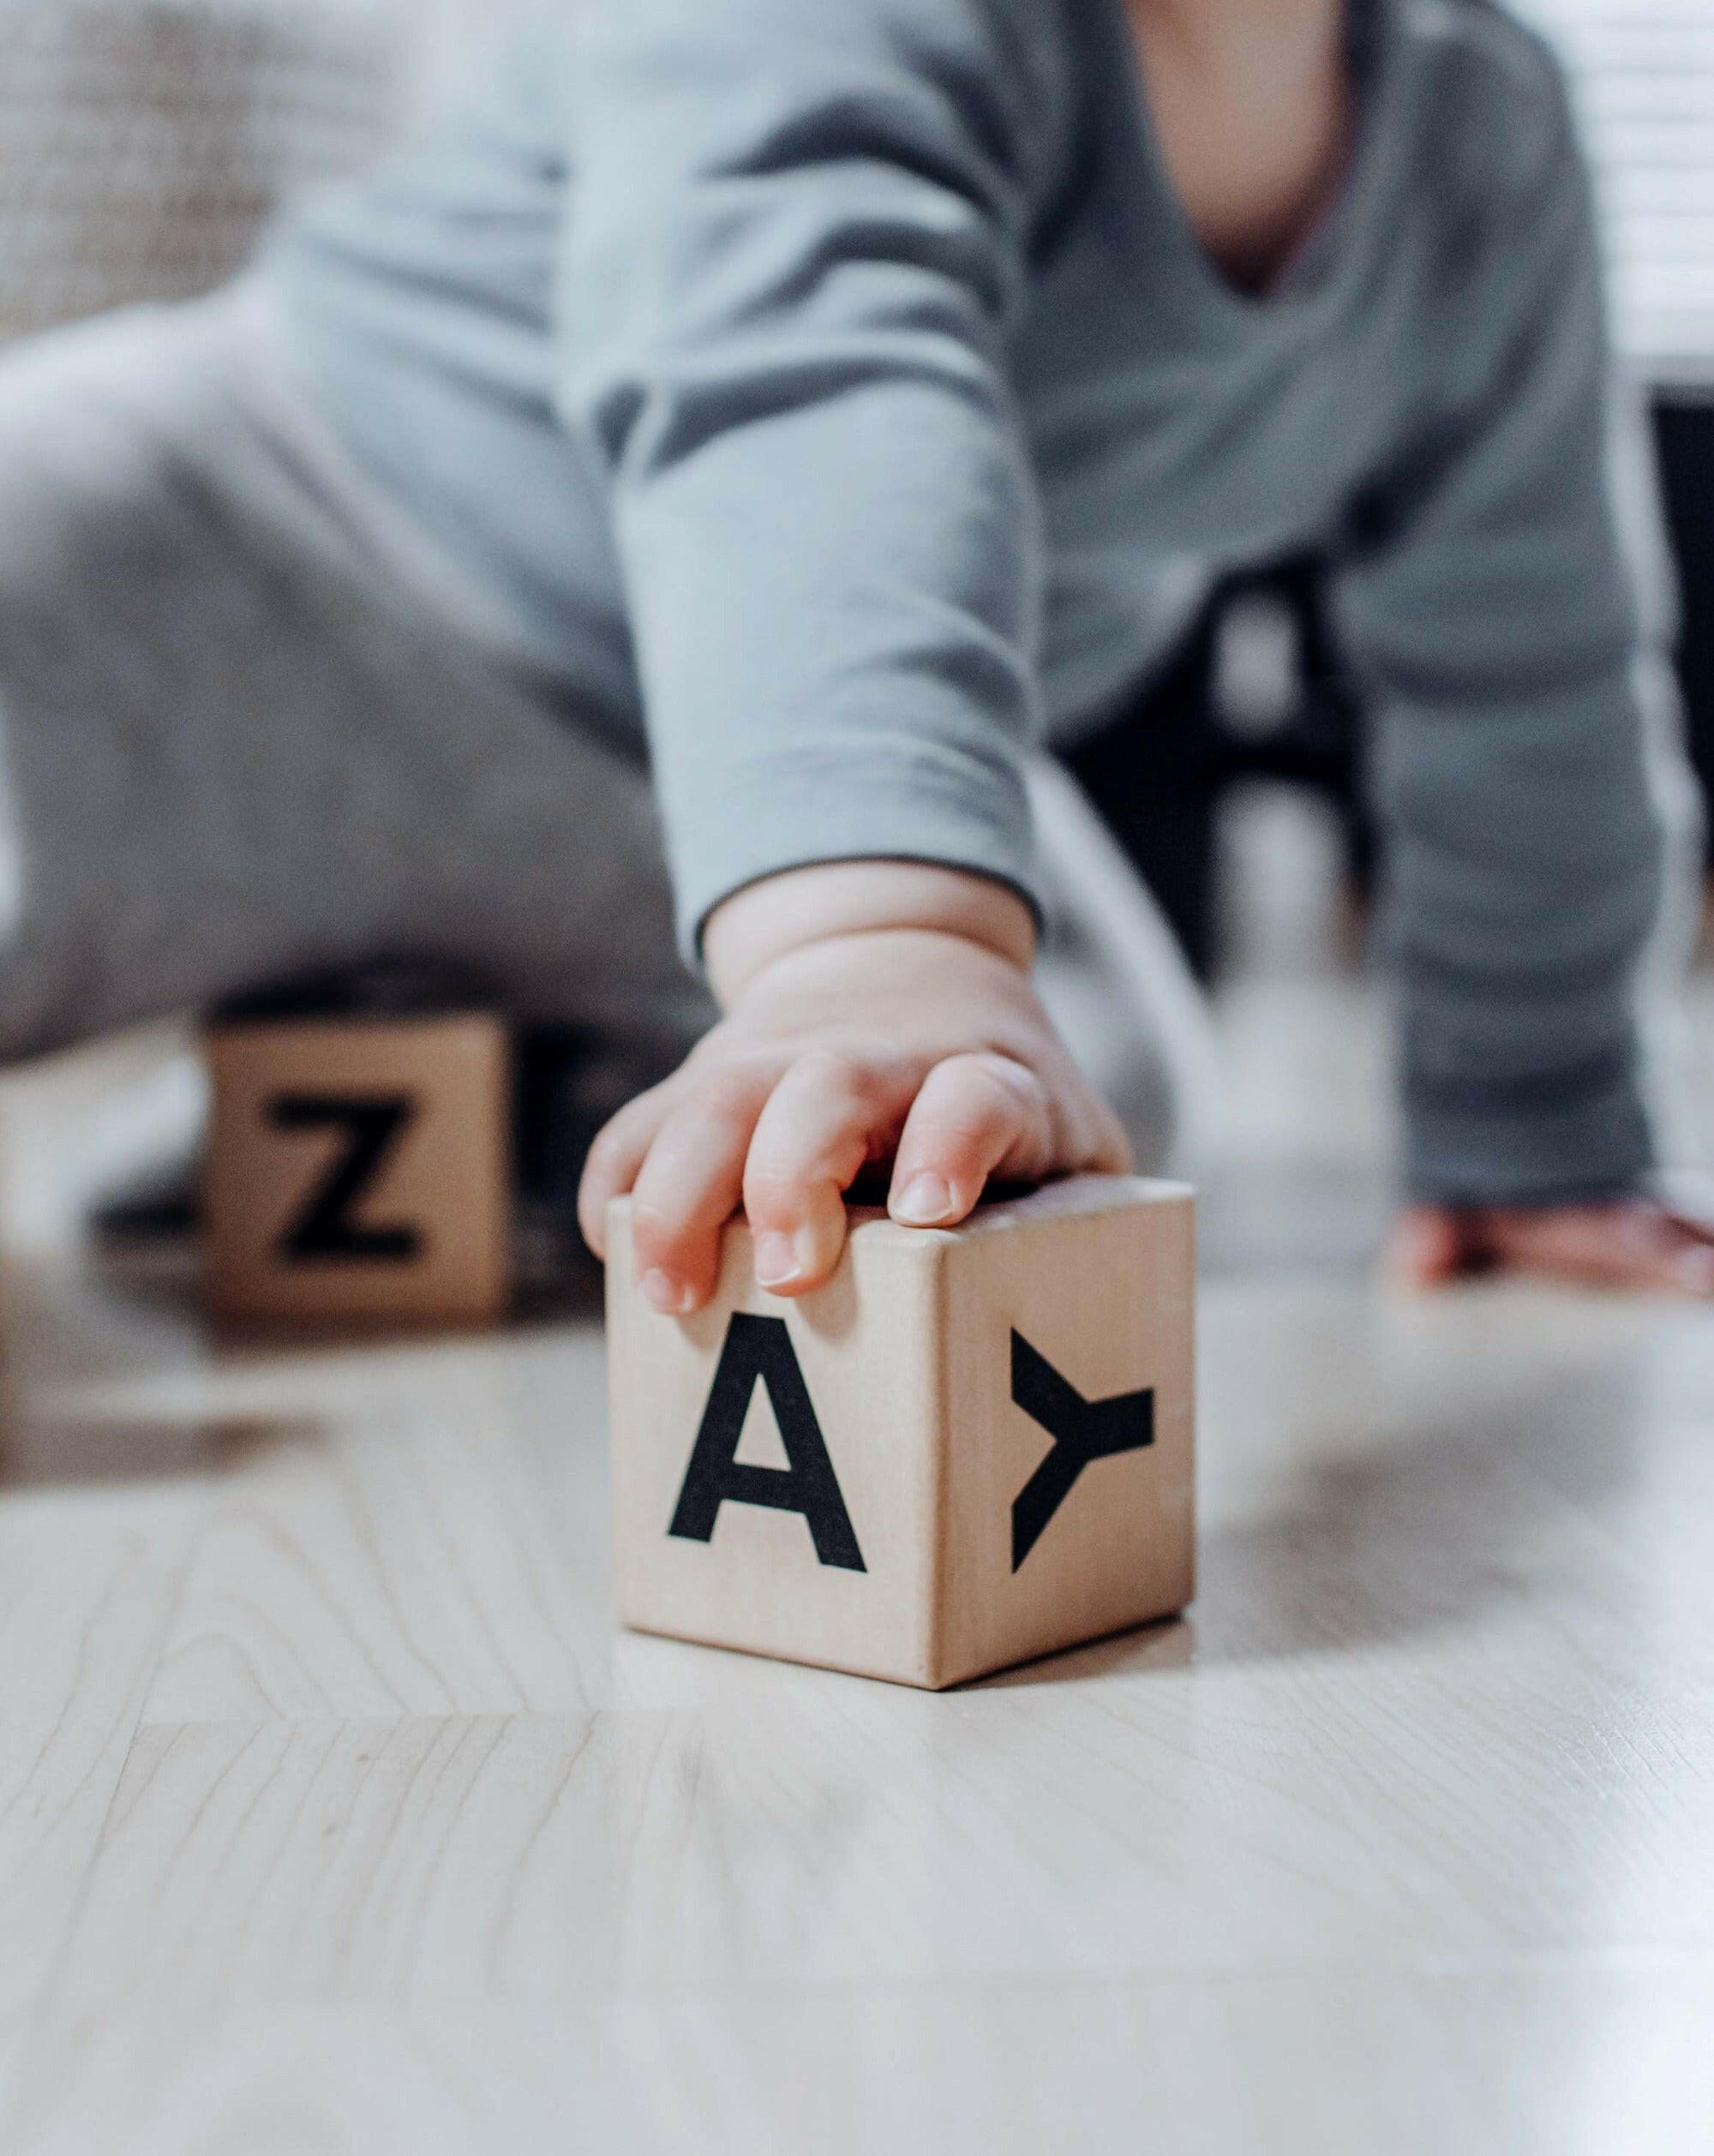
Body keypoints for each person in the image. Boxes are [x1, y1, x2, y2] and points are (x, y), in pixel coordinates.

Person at [0, 0, 1708, 1304]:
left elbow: (1529, 651)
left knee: (1060, 1109)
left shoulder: (1480, 147)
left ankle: (380, 1091)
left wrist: (1538, 1112)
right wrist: (888, 937)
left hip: (715, 798)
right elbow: (801, 396)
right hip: (270, 559)